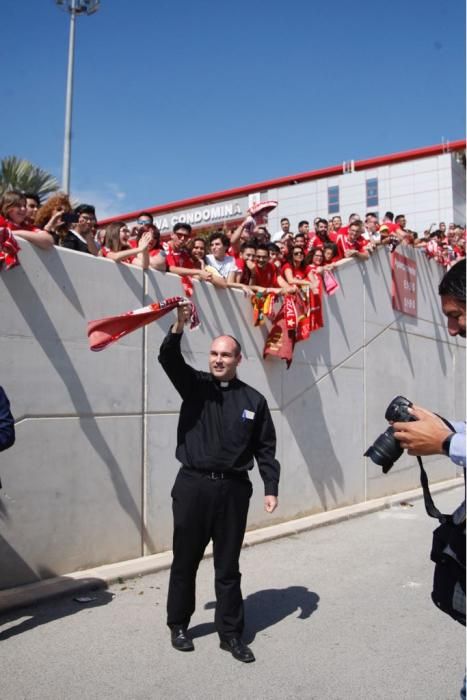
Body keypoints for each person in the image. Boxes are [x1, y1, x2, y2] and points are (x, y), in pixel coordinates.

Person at [158, 304, 280, 662]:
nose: (217, 359)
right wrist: (179, 325)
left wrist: (270, 487)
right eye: (213, 353)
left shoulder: (253, 401)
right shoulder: (194, 386)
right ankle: (178, 624)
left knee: (228, 567)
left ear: (238, 359)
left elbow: (265, 448)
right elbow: (168, 358)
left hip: (233, 491)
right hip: (192, 486)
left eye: (225, 354)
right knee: (185, 560)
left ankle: (230, 634)